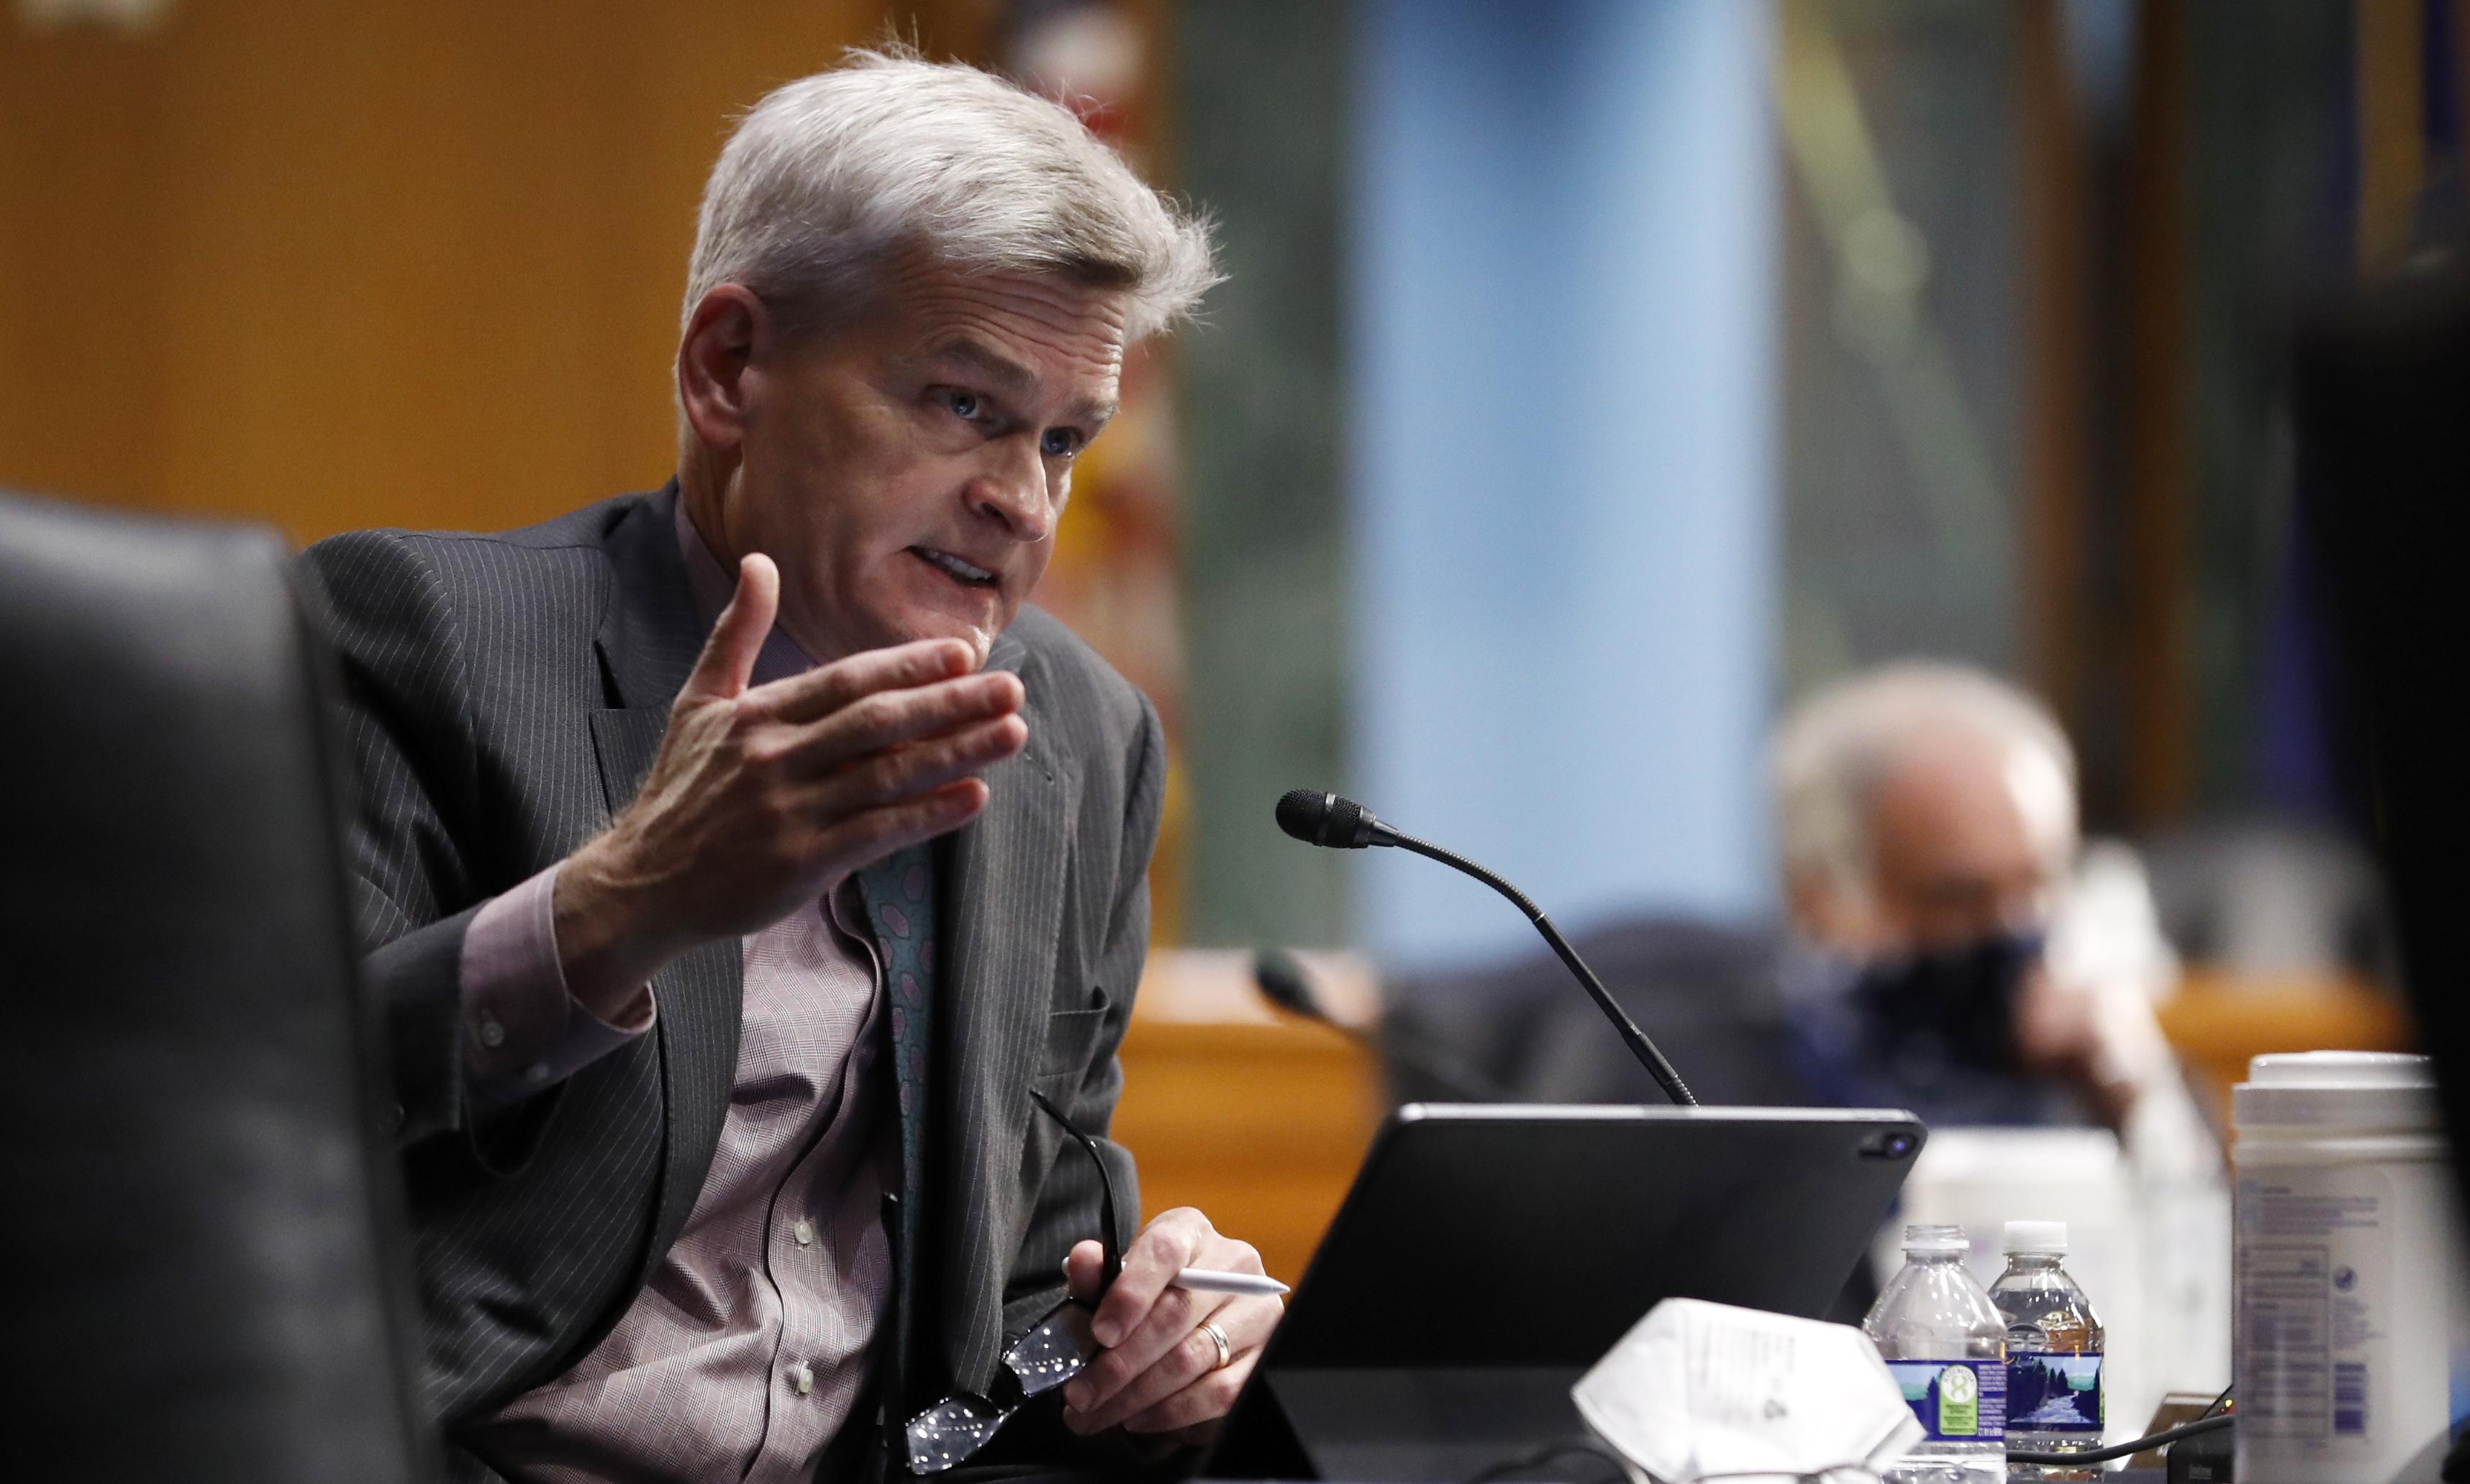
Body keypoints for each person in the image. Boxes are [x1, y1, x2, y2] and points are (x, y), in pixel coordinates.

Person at [303, 50, 1274, 1483]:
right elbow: (243, 1127)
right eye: (963, 404)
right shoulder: (414, 637)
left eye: (1066, 439)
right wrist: (626, 901)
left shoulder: (1078, 736)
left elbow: (1019, 1285)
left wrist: (1151, 1328)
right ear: (729, 367)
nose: (1021, 498)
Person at [1384, 662, 2198, 1143]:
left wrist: (2134, 1096)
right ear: (1819, 894)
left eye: (2038, 883)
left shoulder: (2079, 1060)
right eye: (1958, 896)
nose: (2015, 930)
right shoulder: (1686, 1071)